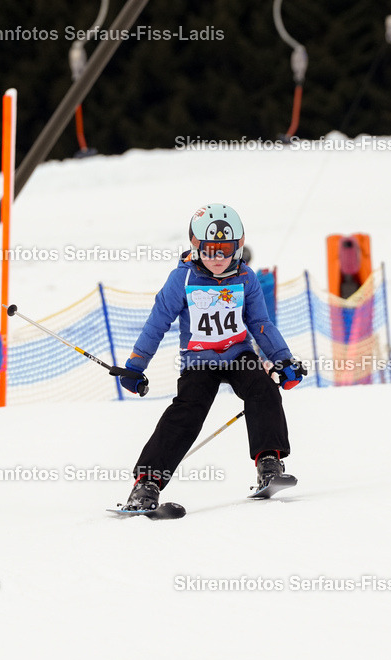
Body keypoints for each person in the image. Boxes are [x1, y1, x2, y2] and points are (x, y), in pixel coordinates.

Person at [118, 204, 306, 512]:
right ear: (195, 247)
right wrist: (135, 366)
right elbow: (157, 322)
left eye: (225, 251)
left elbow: (261, 323)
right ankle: (147, 484)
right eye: (209, 251)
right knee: (188, 411)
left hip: (237, 354)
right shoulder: (183, 279)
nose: (217, 259)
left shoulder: (245, 278)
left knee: (263, 389)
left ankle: (269, 463)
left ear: (238, 248)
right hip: (199, 360)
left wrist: (283, 359)